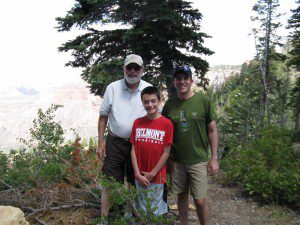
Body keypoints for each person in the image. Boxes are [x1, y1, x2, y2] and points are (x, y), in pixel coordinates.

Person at [162, 66, 219, 225]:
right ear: (174, 82)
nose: (182, 82)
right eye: (178, 78)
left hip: (198, 159)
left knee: (200, 201)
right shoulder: (169, 104)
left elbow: (212, 130)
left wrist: (214, 158)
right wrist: (165, 159)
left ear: (191, 81)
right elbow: (164, 132)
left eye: (185, 78)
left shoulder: (203, 101)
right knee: (181, 196)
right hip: (177, 161)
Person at [97, 54, 151, 221]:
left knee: (136, 181)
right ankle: (104, 219)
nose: (133, 71)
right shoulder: (113, 88)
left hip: (139, 144)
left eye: (137, 68)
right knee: (110, 181)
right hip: (115, 142)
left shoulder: (148, 89)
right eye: (129, 67)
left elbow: (156, 117)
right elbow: (103, 116)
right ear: (124, 69)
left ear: (143, 70)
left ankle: (133, 216)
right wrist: (100, 142)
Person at [130, 86, 173, 216]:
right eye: (146, 102)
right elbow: (133, 149)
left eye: (153, 101)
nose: (150, 105)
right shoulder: (138, 123)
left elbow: (166, 152)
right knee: (141, 209)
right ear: (142, 103)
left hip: (156, 177)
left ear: (159, 101)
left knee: (155, 212)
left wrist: (152, 174)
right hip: (140, 175)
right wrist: (137, 173)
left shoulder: (167, 124)